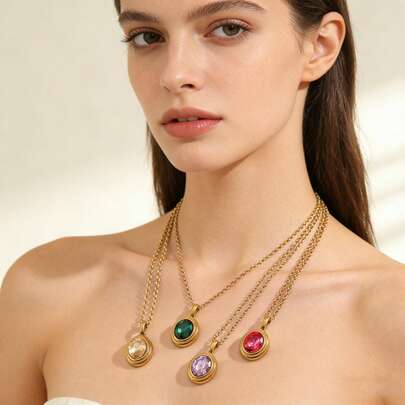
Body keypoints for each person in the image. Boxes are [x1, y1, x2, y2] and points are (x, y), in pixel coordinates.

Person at [1, 0, 404, 404]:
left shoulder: (390, 322)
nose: (175, 75)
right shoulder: (48, 290)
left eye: (229, 29)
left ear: (320, 45)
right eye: (147, 37)